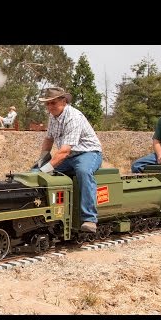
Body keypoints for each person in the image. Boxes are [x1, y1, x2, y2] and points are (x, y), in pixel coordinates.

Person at [34, 87, 103, 233]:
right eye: (47, 104)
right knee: (34, 171)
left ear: (64, 101)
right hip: (69, 156)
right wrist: (42, 159)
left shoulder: (73, 117)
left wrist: (45, 169)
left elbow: (64, 151)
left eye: (53, 103)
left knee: (83, 172)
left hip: (88, 153)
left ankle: (90, 219)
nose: (50, 107)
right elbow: (49, 138)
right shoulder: (53, 116)